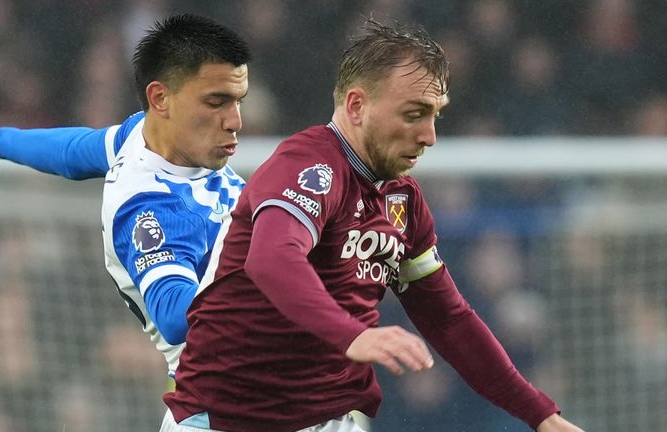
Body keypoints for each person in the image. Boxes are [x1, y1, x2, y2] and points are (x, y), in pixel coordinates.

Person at [161, 18, 584, 432]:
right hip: (226, 419)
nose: (429, 135)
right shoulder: (310, 165)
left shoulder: (403, 200)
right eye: (414, 114)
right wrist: (351, 336)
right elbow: (272, 259)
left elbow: (449, 319)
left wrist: (539, 414)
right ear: (357, 105)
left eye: (435, 114)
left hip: (327, 419)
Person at [0, 13, 251, 379]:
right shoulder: (148, 208)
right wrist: (272, 253)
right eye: (217, 102)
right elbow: (173, 315)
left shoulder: (142, 135)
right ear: (160, 99)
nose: (235, 121)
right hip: (233, 407)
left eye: (238, 101)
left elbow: (77, 150)